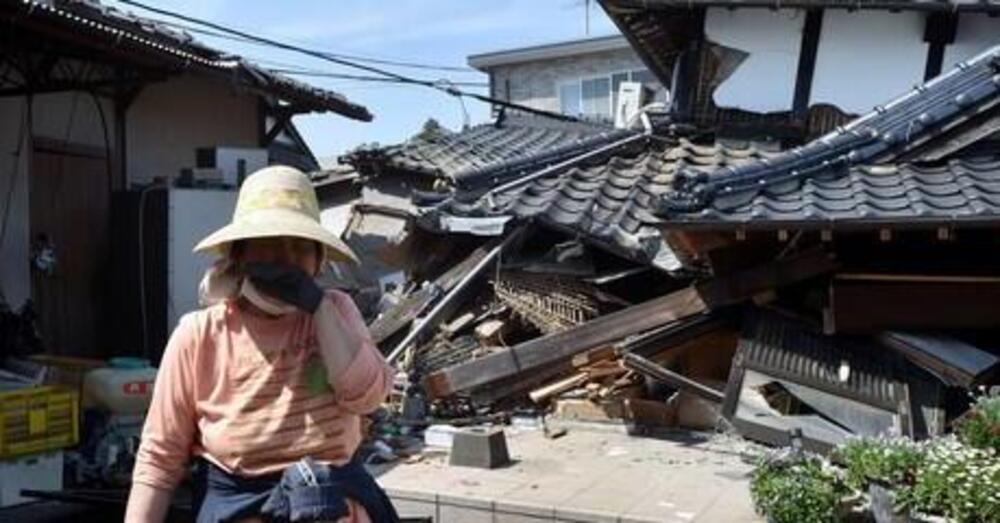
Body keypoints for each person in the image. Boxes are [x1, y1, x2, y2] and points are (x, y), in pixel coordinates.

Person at [124, 166, 397, 523]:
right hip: (238, 501)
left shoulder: (335, 313)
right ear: (239, 257)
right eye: (268, 244)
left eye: (300, 247)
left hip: (332, 496)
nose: (285, 259)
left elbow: (367, 396)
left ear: (319, 262)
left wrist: (320, 310)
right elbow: (160, 457)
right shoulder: (200, 335)